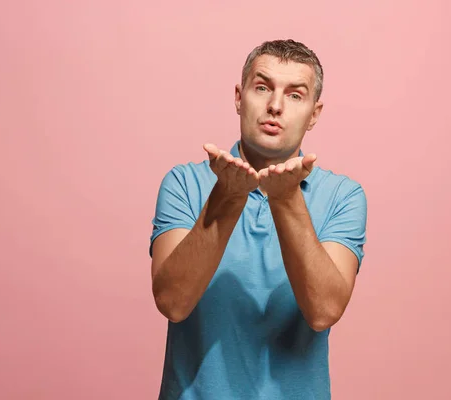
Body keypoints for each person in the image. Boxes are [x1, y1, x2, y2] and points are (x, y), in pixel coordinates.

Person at [149, 39, 368, 400]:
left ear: (314, 113)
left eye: (295, 95)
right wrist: (228, 196)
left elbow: (324, 310)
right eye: (262, 87)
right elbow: (173, 302)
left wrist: (285, 197)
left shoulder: (343, 196)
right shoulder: (184, 183)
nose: (275, 106)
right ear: (239, 97)